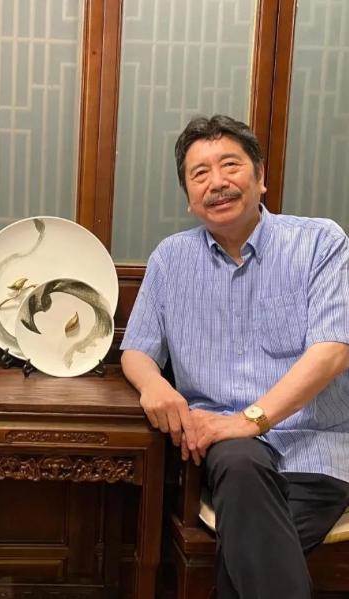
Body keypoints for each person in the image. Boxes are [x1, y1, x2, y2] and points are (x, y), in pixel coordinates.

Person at [121, 114, 349, 598]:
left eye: (230, 165)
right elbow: (137, 348)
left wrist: (251, 419)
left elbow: (333, 351)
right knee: (241, 463)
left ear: (261, 176)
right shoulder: (170, 259)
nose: (217, 182)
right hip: (227, 452)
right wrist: (154, 385)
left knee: (249, 547)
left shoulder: (320, 243)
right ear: (188, 195)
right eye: (199, 173)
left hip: (316, 452)